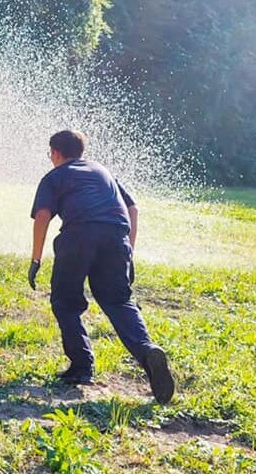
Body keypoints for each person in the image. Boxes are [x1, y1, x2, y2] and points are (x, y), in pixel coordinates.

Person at [28, 130, 175, 404]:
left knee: (65, 301)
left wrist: (36, 259)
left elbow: (43, 215)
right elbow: (133, 209)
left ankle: (81, 367)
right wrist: (128, 248)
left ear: (56, 153)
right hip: (116, 236)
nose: (50, 158)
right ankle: (147, 351)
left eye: (50, 154)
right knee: (118, 301)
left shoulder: (54, 177)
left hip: (78, 237)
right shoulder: (102, 171)